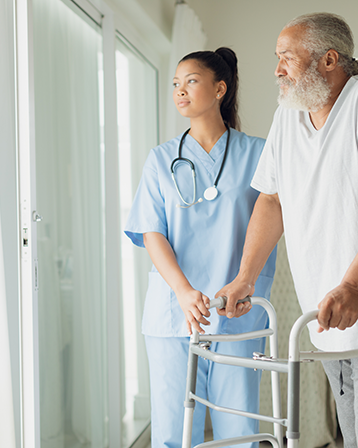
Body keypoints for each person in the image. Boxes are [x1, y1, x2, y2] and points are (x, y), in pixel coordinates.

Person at [217, 13, 358, 448]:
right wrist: (244, 277)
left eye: (286, 58)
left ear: (329, 59)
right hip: (325, 316)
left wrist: (354, 285)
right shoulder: (288, 116)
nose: (277, 69)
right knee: (352, 440)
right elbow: (272, 200)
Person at [124, 47, 277, 448]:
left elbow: (276, 219)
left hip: (236, 312)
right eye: (176, 83)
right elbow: (151, 232)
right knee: (173, 432)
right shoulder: (160, 160)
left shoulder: (259, 154)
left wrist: (243, 280)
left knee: (239, 432)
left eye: (191, 81)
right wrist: (182, 290)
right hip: (174, 313)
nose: (180, 91)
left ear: (220, 88)